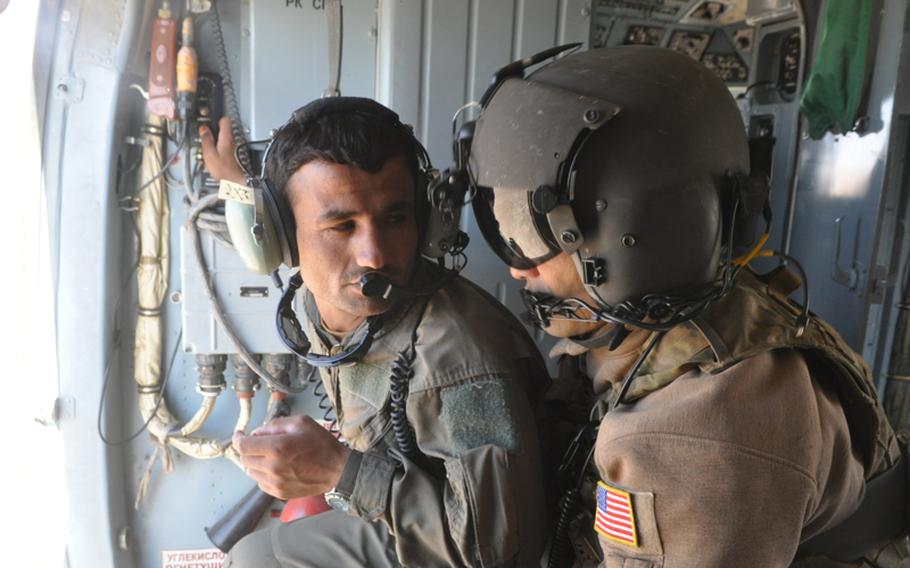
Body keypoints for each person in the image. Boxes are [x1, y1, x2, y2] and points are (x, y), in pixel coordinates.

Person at [466, 45, 910, 567]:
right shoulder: (662, 316)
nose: (520, 268)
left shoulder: (696, 436)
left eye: (528, 234)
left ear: (634, 233)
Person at [199, 97, 550, 567]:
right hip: (409, 507)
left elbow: (501, 550)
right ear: (284, 237)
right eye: (341, 226)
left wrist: (338, 470)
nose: (375, 256)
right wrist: (238, 190)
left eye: (395, 219)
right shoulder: (322, 298)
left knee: (257, 562)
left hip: (475, 549)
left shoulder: (459, 360)